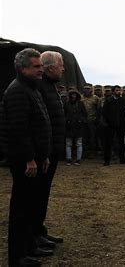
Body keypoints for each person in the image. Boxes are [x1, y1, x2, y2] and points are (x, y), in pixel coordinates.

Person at [3, 48, 52, 266]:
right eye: (36, 66)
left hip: (36, 159)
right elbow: (19, 130)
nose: (41, 70)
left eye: (41, 66)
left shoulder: (31, 88)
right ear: (22, 68)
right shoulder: (17, 91)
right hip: (24, 162)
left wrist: (43, 156)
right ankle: (17, 257)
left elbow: (38, 125)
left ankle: (30, 246)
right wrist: (30, 159)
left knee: (30, 206)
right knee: (21, 210)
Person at [35, 51, 66, 250]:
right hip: (42, 153)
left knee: (42, 193)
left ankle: (39, 231)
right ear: (51, 67)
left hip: (51, 150)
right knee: (37, 194)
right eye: (61, 65)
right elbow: (38, 124)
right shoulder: (40, 87)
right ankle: (34, 235)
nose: (63, 68)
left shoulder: (49, 86)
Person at [102, 85, 125, 165]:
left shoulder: (123, 100)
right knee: (108, 143)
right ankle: (107, 160)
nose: (119, 92)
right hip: (110, 125)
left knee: (121, 143)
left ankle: (122, 159)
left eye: (119, 90)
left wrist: (124, 120)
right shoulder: (108, 101)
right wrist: (109, 121)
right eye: (117, 90)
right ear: (113, 91)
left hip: (121, 125)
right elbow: (104, 112)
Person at [64, 90, 87, 166]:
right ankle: (69, 159)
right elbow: (64, 114)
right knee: (68, 144)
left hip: (78, 126)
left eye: (75, 94)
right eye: (72, 94)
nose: (73, 96)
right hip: (69, 126)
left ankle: (78, 159)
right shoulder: (66, 104)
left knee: (79, 143)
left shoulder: (80, 104)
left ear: (77, 96)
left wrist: (81, 120)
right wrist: (66, 121)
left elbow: (85, 114)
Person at [81, 83, 100, 158]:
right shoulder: (81, 97)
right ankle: (85, 152)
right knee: (84, 137)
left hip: (92, 121)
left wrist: (97, 119)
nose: (87, 90)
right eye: (85, 89)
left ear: (91, 89)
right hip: (83, 121)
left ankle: (92, 152)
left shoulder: (96, 98)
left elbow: (99, 110)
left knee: (93, 137)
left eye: (88, 89)